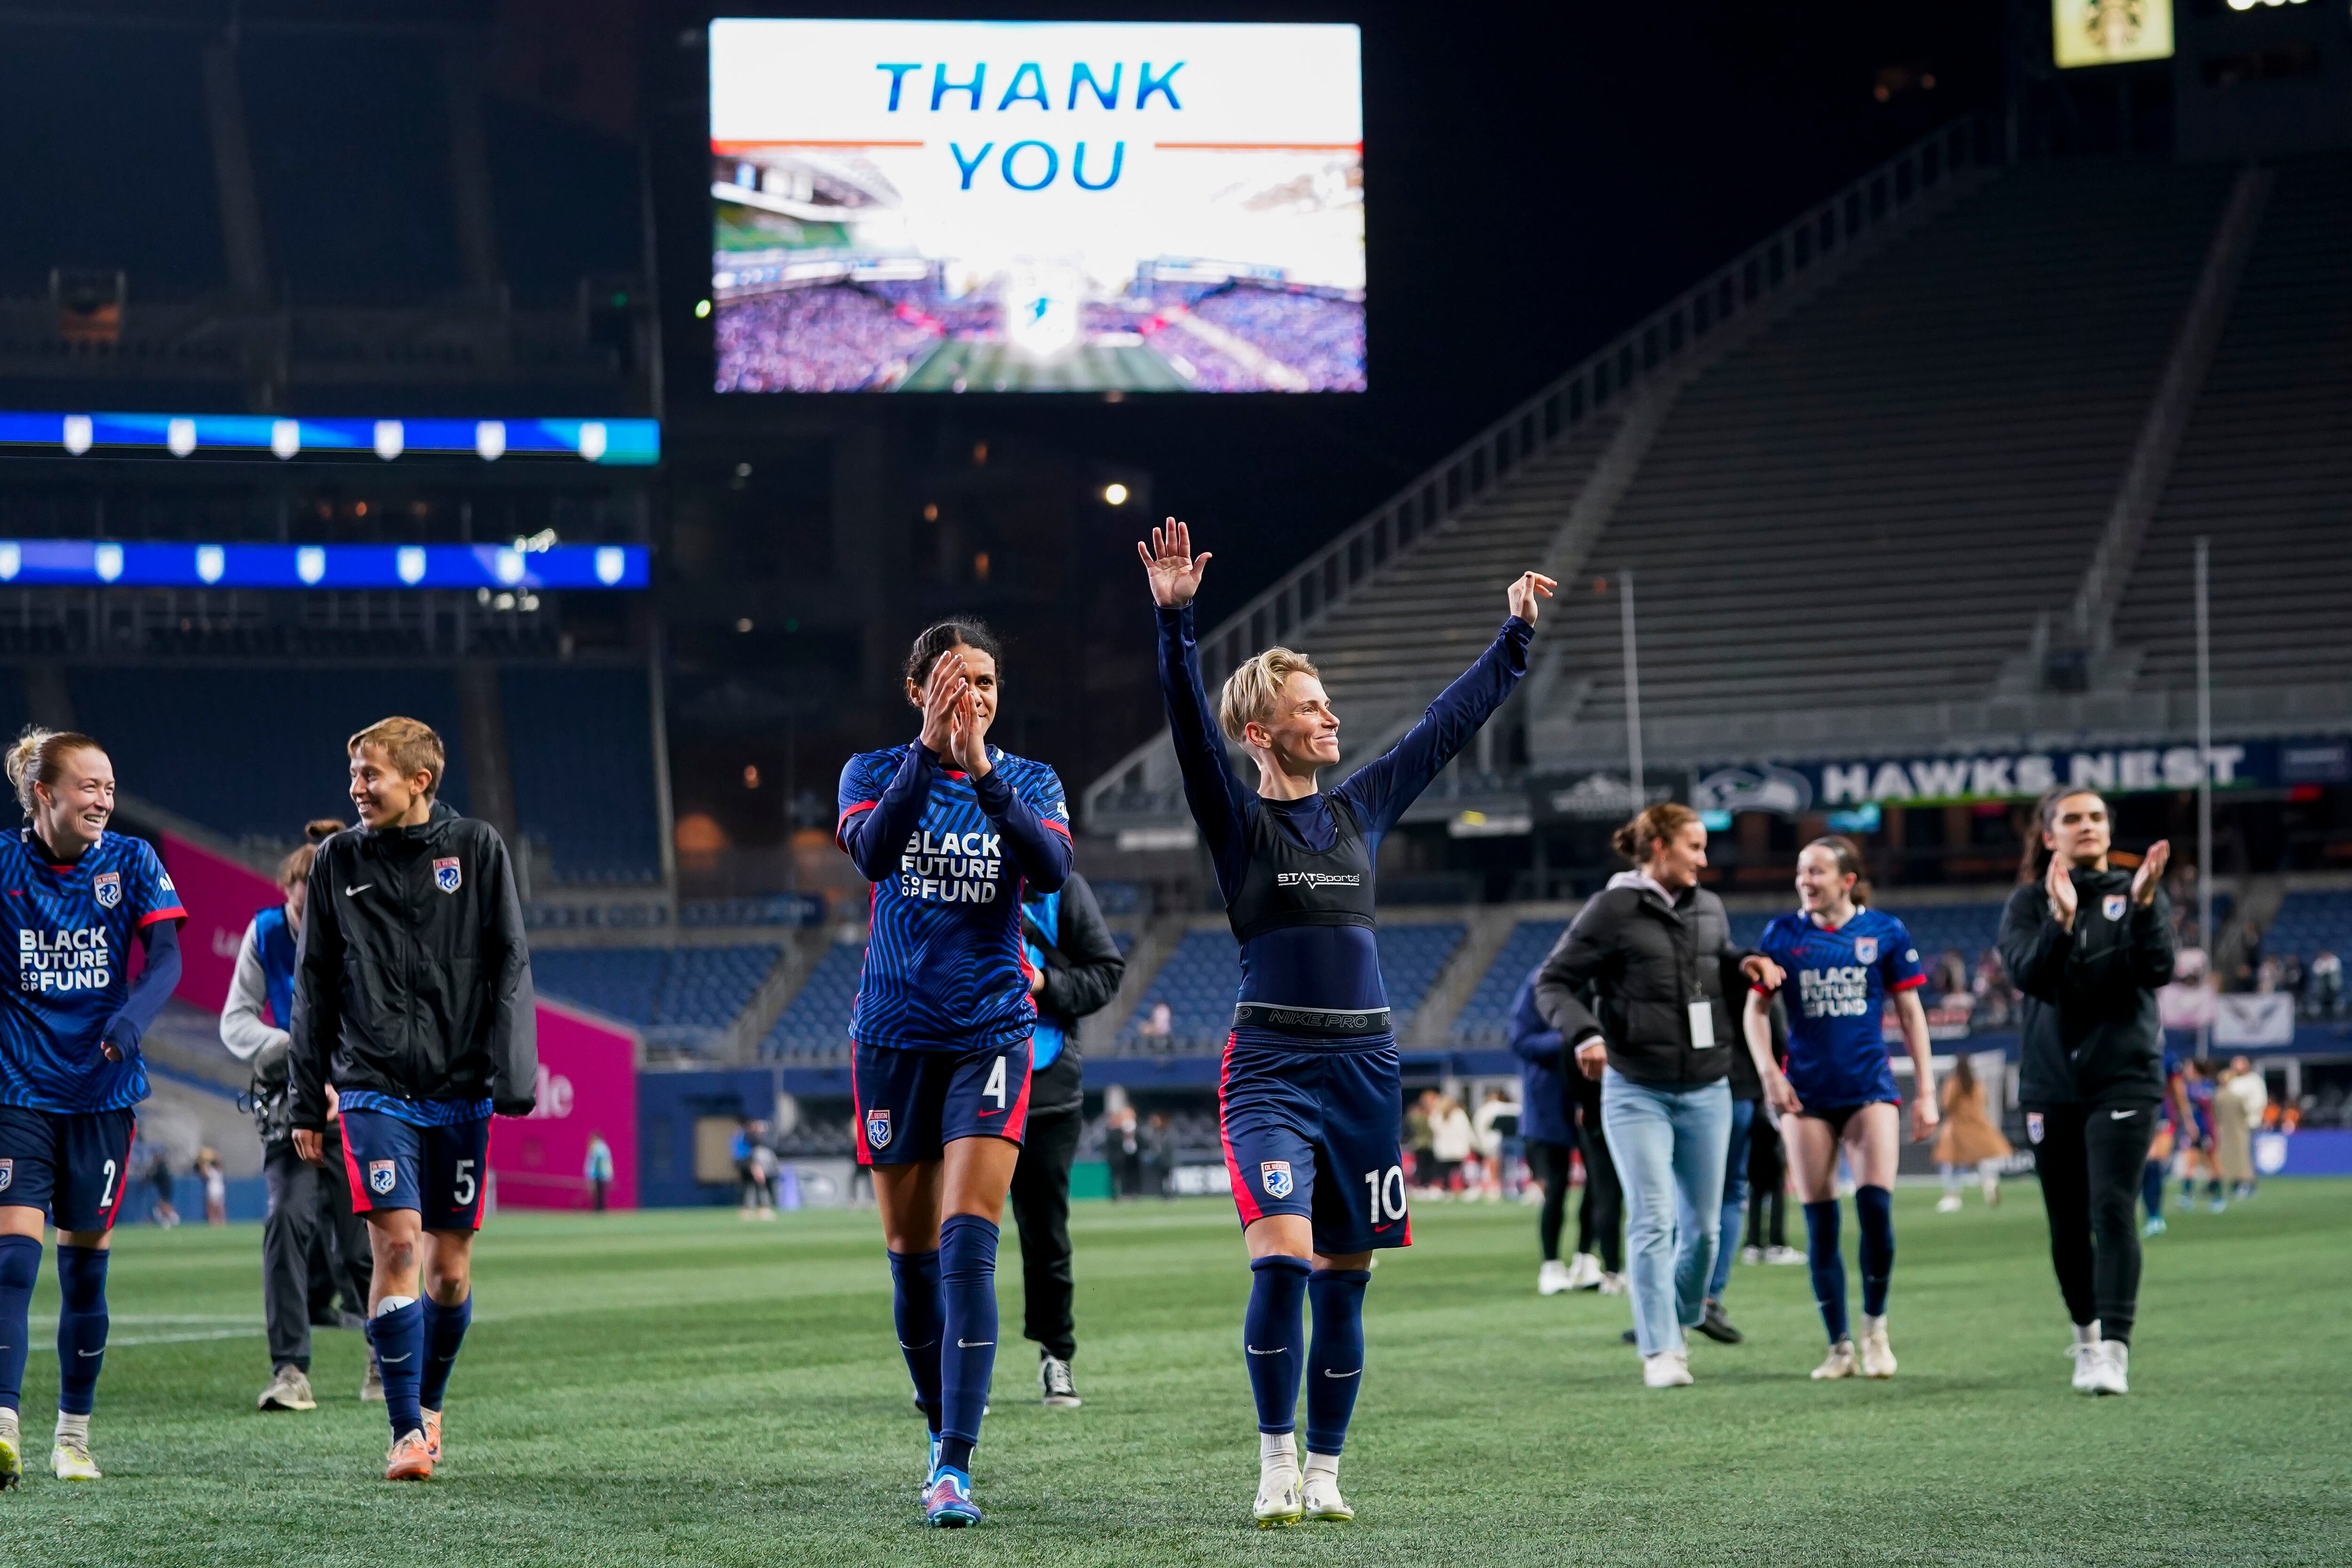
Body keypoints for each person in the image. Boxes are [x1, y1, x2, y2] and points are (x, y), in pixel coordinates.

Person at [1140, 517, 1551, 1523]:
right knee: (1281, 1259)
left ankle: (1326, 1472)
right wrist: (1176, 624)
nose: (1329, 719)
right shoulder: (1240, 822)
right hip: (1272, 1063)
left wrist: (1513, 639)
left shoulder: (1358, 808)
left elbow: (1439, 731)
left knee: (1346, 1284)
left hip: (1366, 1064)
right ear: (1262, 731)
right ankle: (1275, 1459)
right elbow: (1190, 730)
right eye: (1308, 708)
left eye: (1325, 704)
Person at [835, 617, 1072, 1528]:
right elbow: (874, 852)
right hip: (892, 1035)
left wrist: (980, 769)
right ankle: (936, 1426)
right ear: (916, 691)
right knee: (910, 1251)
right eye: (951, 680)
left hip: (992, 1032)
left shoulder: (1031, 780)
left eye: (984, 681)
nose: (971, 694)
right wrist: (928, 755)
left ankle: (955, 1463)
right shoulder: (870, 773)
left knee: (970, 1232)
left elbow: (1048, 865)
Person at [290, 716, 537, 1480]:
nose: (358, 788)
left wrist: (514, 1074)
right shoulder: (337, 861)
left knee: (450, 1270)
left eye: (372, 774)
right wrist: (307, 1096)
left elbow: (511, 960)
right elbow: (314, 985)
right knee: (397, 1244)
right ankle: (402, 1431)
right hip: (373, 1085)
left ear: (419, 780)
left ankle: (429, 1402)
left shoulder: (478, 849)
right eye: (354, 773)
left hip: (459, 1088)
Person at [1537, 803, 1784, 1389]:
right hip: (1634, 1088)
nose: (1703, 859)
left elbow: (1713, 964)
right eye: (1693, 848)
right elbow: (1553, 981)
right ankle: (1661, 1350)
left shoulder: (1709, 906)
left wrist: (1745, 962)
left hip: (1707, 1085)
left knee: (1704, 1230)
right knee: (1653, 1218)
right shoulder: (1612, 908)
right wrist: (1586, 1032)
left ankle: (1682, 1315)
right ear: (1657, 849)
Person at [0, 728, 188, 1486]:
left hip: (103, 1095)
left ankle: (72, 1438)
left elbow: (167, 959)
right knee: (13, 1260)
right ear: (45, 794)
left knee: (85, 1273)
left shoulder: (135, 862)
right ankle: (3, 1424)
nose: (105, 799)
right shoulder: (4, 865)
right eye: (89, 786)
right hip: (17, 1090)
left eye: (110, 787)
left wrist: (132, 1017)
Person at [1998, 787, 2173, 1397]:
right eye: (2072, 818)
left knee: (2111, 1208)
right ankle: (2088, 1341)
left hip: (2124, 1076)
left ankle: (2117, 1351)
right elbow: (2031, 975)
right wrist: (2063, 920)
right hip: (2051, 1083)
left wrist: (2146, 906)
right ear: (2050, 835)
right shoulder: (2028, 902)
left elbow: (2157, 970)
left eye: (2097, 816)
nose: (2087, 826)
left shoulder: (2140, 894)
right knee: (2068, 1222)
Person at [1742, 836, 1938, 1381]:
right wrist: (1768, 1076)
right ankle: (1838, 1347)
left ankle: (1875, 1330)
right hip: (1803, 1098)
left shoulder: (1884, 933)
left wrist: (1925, 1091)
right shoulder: (1781, 934)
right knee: (1820, 1226)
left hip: (1869, 1090)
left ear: (1847, 880)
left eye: (1817, 872)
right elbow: (1754, 1012)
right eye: (1801, 871)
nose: (1805, 880)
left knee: (1875, 1213)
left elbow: (1910, 1012)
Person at [223, 819, 378, 1413]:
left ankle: (381, 1357)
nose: (307, 902)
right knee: (286, 1225)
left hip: (358, 1103)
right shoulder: (265, 933)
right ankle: (289, 1370)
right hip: (294, 1108)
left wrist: (343, 1075)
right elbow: (235, 1022)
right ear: (288, 889)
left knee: (364, 1245)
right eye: (299, 891)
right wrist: (297, 1052)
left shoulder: (359, 930)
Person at [1009, 868, 1125, 1409]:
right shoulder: (949, 871)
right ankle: (953, 1370)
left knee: (1046, 1236)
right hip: (962, 1079)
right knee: (957, 1234)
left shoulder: (1063, 887)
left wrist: (1043, 984)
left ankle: (1057, 1356)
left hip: (1045, 1089)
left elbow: (1105, 973)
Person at [1700, 952, 1778, 1345]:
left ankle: (1672, 1302)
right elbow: (1776, 1031)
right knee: (1731, 1193)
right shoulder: (1752, 977)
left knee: (1687, 1195)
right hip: (1743, 1093)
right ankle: (1710, 1297)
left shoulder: (1691, 976)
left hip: (1701, 1090)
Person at [1510, 964, 1582, 1293]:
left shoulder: (1591, 979)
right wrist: (1567, 1040)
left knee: (1601, 1185)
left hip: (1588, 1097)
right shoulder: (1536, 984)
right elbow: (1522, 1041)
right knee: (1555, 1186)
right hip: (1548, 1103)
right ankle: (1551, 1264)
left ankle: (1586, 1258)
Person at [1934, 1056, 2012, 1212]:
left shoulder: (1953, 1084)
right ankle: (1989, 1184)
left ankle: (1952, 1197)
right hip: (1979, 1126)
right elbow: (1985, 1101)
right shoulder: (1978, 1084)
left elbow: (1946, 1104)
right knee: (1983, 1161)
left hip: (1958, 1128)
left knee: (1949, 1163)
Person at [2215, 1056, 2265, 1203]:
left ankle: (2249, 1184)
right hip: (2232, 1125)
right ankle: (2236, 1183)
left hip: (2249, 1123)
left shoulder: (2254, 1081)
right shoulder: (2232, 1082)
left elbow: (2258, 1102)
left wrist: (2247, 1113)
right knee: (2232, 1154)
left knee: (2246, 1154)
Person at [146, 1145, 179, 1228]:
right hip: (164, 1187)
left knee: (164, 1204)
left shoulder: (161, 1165)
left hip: (165, 1187)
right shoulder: (159, 1165)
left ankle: (173, 1218)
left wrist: (149, 1178)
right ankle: (169, 1219)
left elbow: (156, 1176)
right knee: (163, 1204)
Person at [584, 1131, 613, 1212]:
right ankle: (599, 1208)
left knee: (599, 1192)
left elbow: (601, 1161)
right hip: (598, 1174)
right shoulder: (597, 1147)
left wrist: (607, 1173)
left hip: (600, 1174)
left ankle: (600, 1208)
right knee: (598, 1192)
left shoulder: (599, 1147)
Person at [199, 1148, 227, 1226]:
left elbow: (204, 1174)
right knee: (218, 1206)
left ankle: (215, 1220)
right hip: (219, 1189)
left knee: (214, 1206)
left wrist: (205, 1162)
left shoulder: (214, 1171)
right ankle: (219, 1220)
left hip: (214, 1189)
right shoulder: (216, 1171)